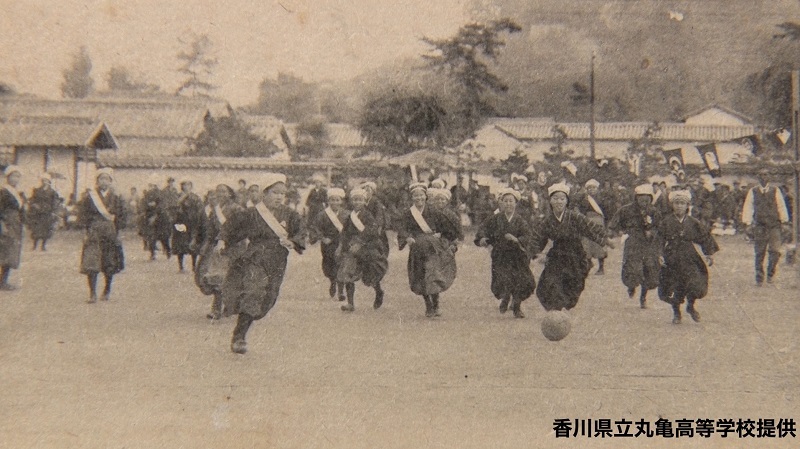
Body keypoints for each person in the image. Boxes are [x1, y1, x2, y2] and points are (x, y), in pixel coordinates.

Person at [222, 174, 306, 355]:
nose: (279, 197)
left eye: (282, 194)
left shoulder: (290, 214)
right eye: (275, 193)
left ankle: (242, 328)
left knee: (268, 298)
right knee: (254, 292)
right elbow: (230, 229)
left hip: (277, 261)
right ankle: (239, 336)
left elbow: (300, 231)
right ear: (264, 194)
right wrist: (222, 243)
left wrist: (293, 241)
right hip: (256, 258)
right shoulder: (251, 214)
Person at [531, 183, 612, 312]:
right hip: (557, 255)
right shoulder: (548, 220)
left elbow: (590, 228)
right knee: (547, 285)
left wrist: (604, 240)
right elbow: (538, 237)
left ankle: (563, 309)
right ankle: (555, 312)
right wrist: (536, 253)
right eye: (555, 198)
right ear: (550, 201)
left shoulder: (574, 217)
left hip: (575, 254)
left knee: (574, 285)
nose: (559, 202)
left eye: (562, 199)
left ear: (567, 201)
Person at [397, 182, 460, 318]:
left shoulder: (433, 211)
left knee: (432, 275)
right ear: (412, 198)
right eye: (416, 196)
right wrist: (407, 237)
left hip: (433, 248)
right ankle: (428, 305)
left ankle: (436, 304)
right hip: (417, 248)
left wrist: (441, 234)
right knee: (420, 275)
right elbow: (402, 228)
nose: (419, 198)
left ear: (425, 196)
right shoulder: (408, 213)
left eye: (421, 195)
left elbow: (447, 227)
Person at [657, 190, 719, 324]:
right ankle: (676, 312)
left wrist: (708, 254)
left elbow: (704, 237)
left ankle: (691, 306)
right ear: (672, 205)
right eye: (676, 203)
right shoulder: (666, 222)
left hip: (689, 256)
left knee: (695, 283)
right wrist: (660, 254)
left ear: (687, 206)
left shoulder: (693, 222)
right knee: (674, 285)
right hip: (672, 257)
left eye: (682, 203)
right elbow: (659, 239)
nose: (679, 206)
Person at [475, 188, 536, 318]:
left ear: (516, 203)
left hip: (517, 256)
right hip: (500, 255)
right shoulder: (495, 219)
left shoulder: (520, 220)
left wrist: (517, 239)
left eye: (511, 201)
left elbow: (528, 235)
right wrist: (483, 238)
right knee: (503, 278)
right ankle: (505, 298)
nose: (508, 204)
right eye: (506, 201)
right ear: (501, 203)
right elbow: (483, 229)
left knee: (520, 280)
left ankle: (517, 307)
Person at [195, 185, 244, 320]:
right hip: (217, 247)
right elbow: (210, 230)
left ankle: (217, 309)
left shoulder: (236, 209)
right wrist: (205, 245)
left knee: (222, 278)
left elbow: (230, 226)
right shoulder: (214, 210)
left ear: (229, 193)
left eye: (223, 191)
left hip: (232, 248)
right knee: (206, 276)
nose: (220, 194)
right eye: (218, 191)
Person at [609, 184, 662, 308]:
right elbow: (615, 223)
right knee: (633, 268)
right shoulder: (626, 210)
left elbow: (660, 227)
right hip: (633, 242)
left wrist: (652, 232)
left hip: (648, 243)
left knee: (648, 269)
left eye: (647, 198)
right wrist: (618, 231)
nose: (644, 201)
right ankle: (631, 286)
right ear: (636, 198)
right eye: (641, 198)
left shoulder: (654, 211)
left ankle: (643, 297)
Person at [77, 168, 126, 303]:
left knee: (109, 262)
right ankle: (92, 293)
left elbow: (121, 216)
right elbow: (83, 215)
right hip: (94, 231)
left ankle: (107, 290)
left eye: (107, 179)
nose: (104, 181)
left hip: (110, 232)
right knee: (91, 262)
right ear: (97, 181)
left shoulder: (116, 197)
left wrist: (119, 232)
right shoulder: (90, 196)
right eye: (101, 179)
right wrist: (85, 232)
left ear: (111, 181)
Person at [337, 188, 389, 311]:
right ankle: (350, 303)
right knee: (348, 272)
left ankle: (379, 292)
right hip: (352, 248)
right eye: (355, 200)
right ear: (351, 201)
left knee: (371, 274)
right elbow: (345, 233)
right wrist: (342, 246)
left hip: (367, 247)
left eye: (360, 200)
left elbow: (372, 231)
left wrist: (360, 243)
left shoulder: (368, 215)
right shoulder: (350, 217)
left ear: (364, 202)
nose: (357, 202)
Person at [741, 169, 791, 286]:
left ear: (769, 177)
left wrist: (784, 221)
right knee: (759, 252)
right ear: (758, 177)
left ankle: (770, 274)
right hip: (760, 226)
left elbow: (781, 206)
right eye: (761, 175)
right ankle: (759, 277)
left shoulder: (775, 190)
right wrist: (747, 223)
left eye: (766, 175)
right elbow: (748, 207)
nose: (764, 177)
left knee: (775, 251)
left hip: (774, 226)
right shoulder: (753, 191)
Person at [309, 187, 349, 301]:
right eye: (332, 200)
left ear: (341, 201)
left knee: (341, 266)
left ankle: (341, 291)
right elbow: (316, 228)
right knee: (329, 266)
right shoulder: (322, 215)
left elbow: (350, 229)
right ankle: (332, 282)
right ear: (328, 201)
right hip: (328, 244)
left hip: (342, 243)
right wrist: (322, 238)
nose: (335, 202)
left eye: (337, 200)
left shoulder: (346, 214)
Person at [573, 179, 608, 275]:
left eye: (594, 187)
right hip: (587, 222)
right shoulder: (583, 198)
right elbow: (576, 205)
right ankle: (588, 263)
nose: (592, 190)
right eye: (589, 188)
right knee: (586, 244)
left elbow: (607, 211)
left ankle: (601, 267)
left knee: (599, 245)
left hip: (598, 222)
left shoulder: (601, 198)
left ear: (597, 189)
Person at [0, 166, 26, 290]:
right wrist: (2, 225)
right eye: (13, 176)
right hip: (6, 223)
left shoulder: (17, 192)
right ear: (8, 177)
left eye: (17, 176)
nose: (15, 179)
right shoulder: (3, 192)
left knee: (11, 252)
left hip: (15, 224)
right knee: (4, 251)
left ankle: (3, 280)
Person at [172, 181, 205, 273]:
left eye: (188, 185)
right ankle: (181, 267)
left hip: (192, 224)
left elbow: (200, 209)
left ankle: (194, 266)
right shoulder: (178, 196)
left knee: (193, 244)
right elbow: (173, 208)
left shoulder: (195, 197)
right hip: (181, 223)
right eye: (184, 185)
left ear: (191, 186)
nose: (186, 187)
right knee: (180, 244)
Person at [27, 173, 62, 251]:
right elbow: (32, 200)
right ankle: (34, 245)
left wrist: (54, 211)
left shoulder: (52, 192)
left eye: (46, 180)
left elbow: (55, 202)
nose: (44, 182)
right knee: (36, 229)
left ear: (49, 181)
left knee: (46, 229)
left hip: (47, 212)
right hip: (38, 213)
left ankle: (43, 246)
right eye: (43, 180)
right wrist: (34, 205)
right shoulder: (37, 190)